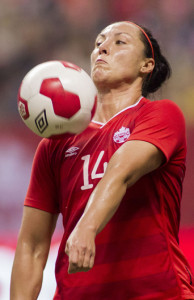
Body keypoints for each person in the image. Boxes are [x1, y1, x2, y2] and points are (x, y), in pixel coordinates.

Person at [10, 21, 194, 300]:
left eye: (119, 42)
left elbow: (121, 171)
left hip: (157, 292)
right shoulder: (54, 145)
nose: (103, 48)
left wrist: (87, 227)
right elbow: (32, 245)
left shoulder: (161, 115)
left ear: (146, 65)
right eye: (98, 44)